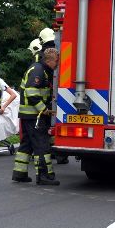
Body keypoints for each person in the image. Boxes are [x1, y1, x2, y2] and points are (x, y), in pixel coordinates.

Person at [12, 47, 60, 185]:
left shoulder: (40, 69)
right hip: (35, 115)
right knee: (42, 145)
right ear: (49, 60)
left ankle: (19, 173)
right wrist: (43, 109)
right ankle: (44, 176)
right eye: (56, 61)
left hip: (29, 114)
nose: (57, 64)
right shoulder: (39, 70)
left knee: (26, 145)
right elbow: (32, 91)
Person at [38, 27, 69, 164]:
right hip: (60, 91)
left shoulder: (42, 54)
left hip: (46, 95)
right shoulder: (61, 47)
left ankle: (49, 152)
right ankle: (61, 155)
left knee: (47, 127)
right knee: (57, 122)